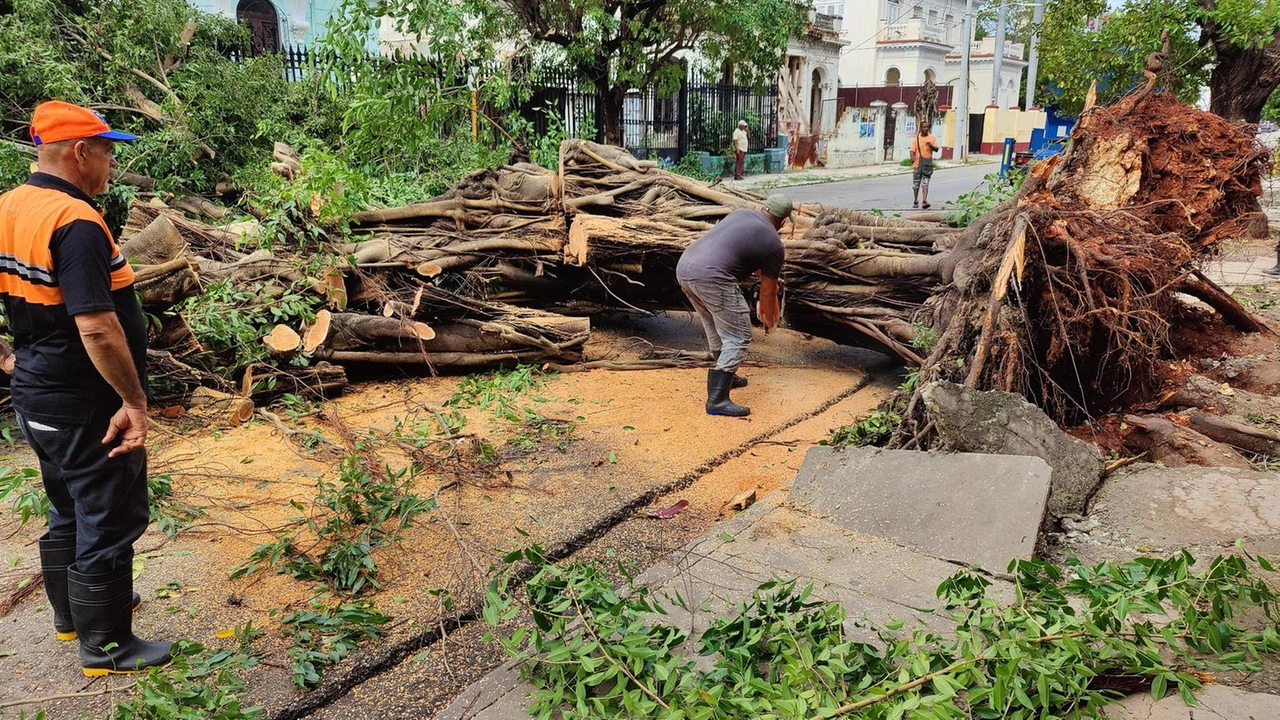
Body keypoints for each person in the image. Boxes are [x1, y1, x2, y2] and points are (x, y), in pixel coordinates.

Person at [0, 101, 170, 676]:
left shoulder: (10, 206)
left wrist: (8, 357)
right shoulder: (75, 222)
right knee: (111, 513)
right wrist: (133, 401)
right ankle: (107, 645)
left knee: (67, 505)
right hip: (83, 403)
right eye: (107, 150)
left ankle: (73, 614)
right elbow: (97, 325)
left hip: (37, 395)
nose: (112, 164)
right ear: (80, 151)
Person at [676, 194, 789, 417]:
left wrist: (769, 277)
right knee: (739, 335)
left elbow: (736, 251)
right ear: (784, 221)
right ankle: (717, 400)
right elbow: (767, 292)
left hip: (686, 269)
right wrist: (770, 318)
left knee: (715, 327)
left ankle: (726, 374)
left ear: (762, 208)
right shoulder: (775, 244)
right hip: (712, 278)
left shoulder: (741, 214)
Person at [910, 125, 940, 209]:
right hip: (917, 165)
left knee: (925, 184)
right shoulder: (916, 139)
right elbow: (912, 150)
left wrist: (930, 145)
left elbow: (936, 149)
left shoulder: (932, 138)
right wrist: (912, 158)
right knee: (916, 185)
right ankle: (915, 200)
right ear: (920, 128)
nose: (926, 128)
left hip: (927, 165)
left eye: (927, 127)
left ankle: (924, 201)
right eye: (924, 127)